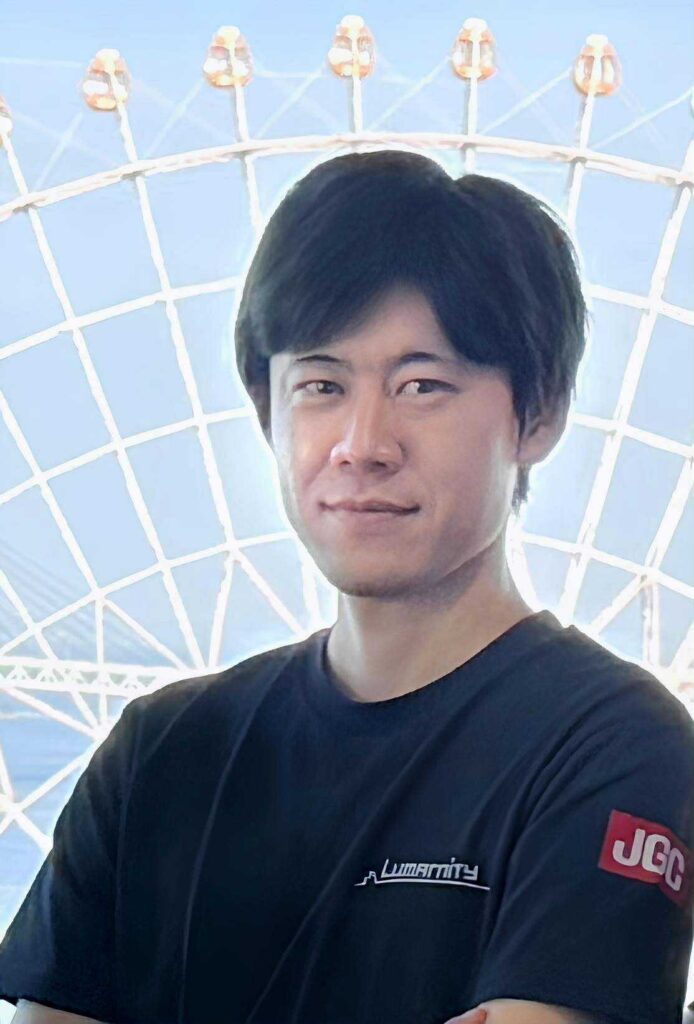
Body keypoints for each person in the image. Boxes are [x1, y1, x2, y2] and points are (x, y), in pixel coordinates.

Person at [0, 149, 692, 1024]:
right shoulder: (159, 755)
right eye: (322, 385)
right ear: (269, 412)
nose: (362, 444)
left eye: (422, 385)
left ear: (540, 414)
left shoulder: (613, 749)